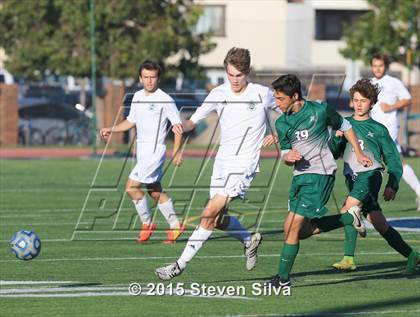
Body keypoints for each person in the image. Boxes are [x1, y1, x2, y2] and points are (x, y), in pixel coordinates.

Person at [155, 47, 280, 280]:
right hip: (222, 162)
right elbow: (193, 121)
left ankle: (179, 265)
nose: (234, 80)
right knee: (219, 220)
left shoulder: (262, 93)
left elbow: (289, 112)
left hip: (245, 164)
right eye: (230, 74)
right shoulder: (218, 93)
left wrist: (279, 134)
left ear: (248, 72)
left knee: (208, 213)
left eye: (239, 75)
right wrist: (181, 125)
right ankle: (248, 240)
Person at [268, 74, 373, 288]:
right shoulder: (281, 122)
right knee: (296, 230)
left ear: (294, 96)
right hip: (300, 177)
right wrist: (287, 157)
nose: (276, 103)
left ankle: (282, 279)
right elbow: (287, 153)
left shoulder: (319, 110)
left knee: (292, 229)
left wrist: (359, 153)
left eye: (280, 98)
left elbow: (346, 126)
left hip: (320, 175)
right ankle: (347, 219)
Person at [329, 78, 419, 274]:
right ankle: (412, 254)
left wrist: (392, 184)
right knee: (379, 223)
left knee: (348, 209)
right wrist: (335, 140)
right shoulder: (345, 126)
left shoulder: (378, 130)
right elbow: (333, 154)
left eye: (363, 100)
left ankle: (348, 259)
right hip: (352, 180)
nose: (359, 104)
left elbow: (394, 160)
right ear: (351, 101)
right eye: (355, 100)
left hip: (370, 177)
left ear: (372, 102)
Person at [100, 60, 185, 244]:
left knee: (131, 187)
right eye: (146, 77)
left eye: (152, 77)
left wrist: (176, 152)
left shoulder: (165, 99)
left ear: (158, 78)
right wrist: (112, 129)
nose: (149, 81)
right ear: (140, 78)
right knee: (154, 191)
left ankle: (147, 224)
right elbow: (131, 121)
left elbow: (178, 127)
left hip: (155, 151)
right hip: (142, 150)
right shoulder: (137, 97)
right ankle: (175, 225)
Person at [370, 53, 420, 210]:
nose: (377, 68)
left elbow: (407, 98)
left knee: (375, 161)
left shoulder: (393, 82)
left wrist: (391, 107)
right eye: (375, 65)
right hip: (372, 129)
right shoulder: (369, 83)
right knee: (398, 162)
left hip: (388, 128)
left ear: (385, 66)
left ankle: (369, 202)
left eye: (381, 65)